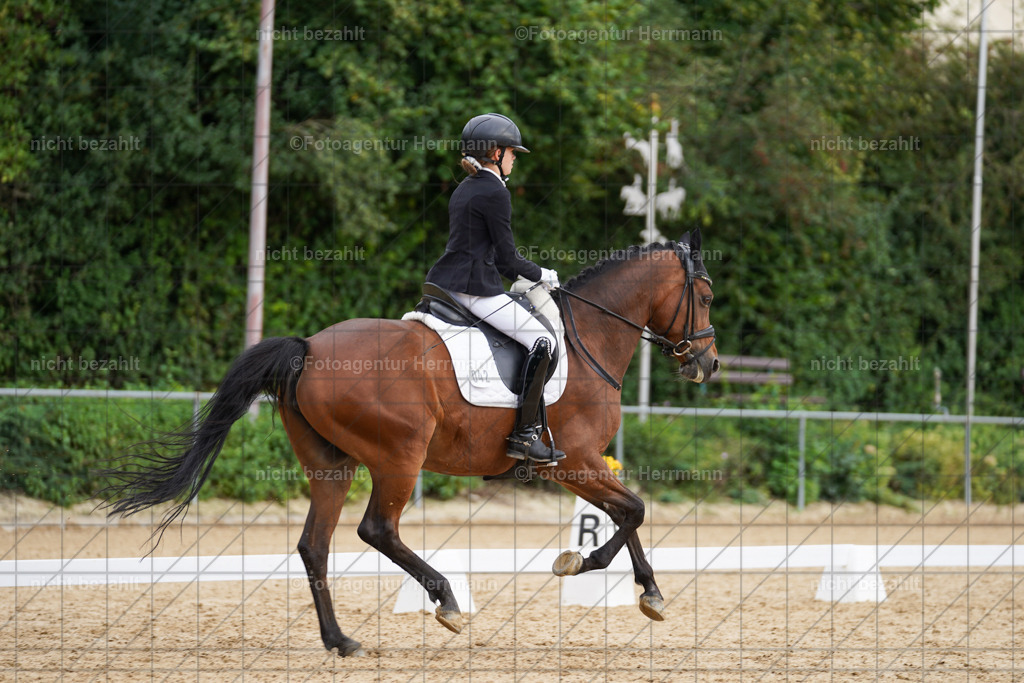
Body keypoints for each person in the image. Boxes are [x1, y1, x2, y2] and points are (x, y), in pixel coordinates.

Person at [425, 113, 565, 464]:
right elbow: (507, 258)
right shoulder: (494, 192)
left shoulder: (464, 188)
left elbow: (499, 260)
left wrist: (525, 272)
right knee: (542, 341)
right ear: (494, 152)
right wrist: (543, 273)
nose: (515, 158)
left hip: (446, 285)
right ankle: (524, 434)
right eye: (512, 152)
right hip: (476, 290)